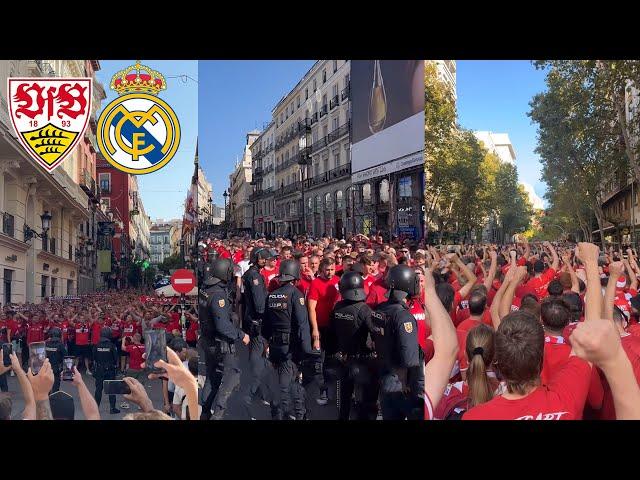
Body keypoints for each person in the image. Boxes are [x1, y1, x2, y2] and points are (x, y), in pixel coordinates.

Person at [463, 242, 599, 420]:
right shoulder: (564, 401)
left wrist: (511, 281)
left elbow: (499, 313)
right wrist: (590, 263)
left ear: (496, 362)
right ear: (541, 358)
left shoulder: (475, 416)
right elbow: (593, 330)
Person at [372, 264, 425, 420]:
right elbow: (410, 359)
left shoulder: (380, 309)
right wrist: (413, 385)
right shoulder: (403, 317)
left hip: (385, 376)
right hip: (402, 384)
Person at [262, 259, 313, 420]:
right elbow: (302, 324)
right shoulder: (296, 295)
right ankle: (297, 415)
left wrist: (268, 343)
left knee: (277, 385)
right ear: (296, 275)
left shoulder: (271, 296)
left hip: (275, 346)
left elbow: (265, 326)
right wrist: (307, 351)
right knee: (291, 385)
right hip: (290, 348)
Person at [201, 258, 250, 420]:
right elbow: (222, 325)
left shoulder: (205, 289)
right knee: (232, 377)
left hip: (208, 342)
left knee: (212, 377)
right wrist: (241, 335)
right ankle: (219, 414)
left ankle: (205, 412)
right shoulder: (218, 295)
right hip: (220, 343)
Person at [330, 271, 378, 420]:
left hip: (343, 358)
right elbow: (374, 331)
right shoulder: (363, 308)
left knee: (344, 398)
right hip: (362, 359)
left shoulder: (337, 307)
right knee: (366, 399)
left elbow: (331, 333)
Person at [240, 247, 271, 412]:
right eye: (265, 258)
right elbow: (260, 305)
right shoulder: (254, 276)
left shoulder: (252, 274)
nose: (267, 261)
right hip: (257, 322)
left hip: (251, 321)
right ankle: (250, 391)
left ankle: (258, 389)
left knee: (257, 356)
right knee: (257, 356)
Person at [92, 326, 120, 414]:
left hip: (99, 369)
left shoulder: (96, 345)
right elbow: (115, 358)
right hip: (110, 369)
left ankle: (96, 408)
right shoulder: (112, 346)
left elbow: (94, 357)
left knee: (98, 389)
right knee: (111, 389)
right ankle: (112, 408)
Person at [44, 327, 67, 394]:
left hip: (47, 367)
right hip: (56, 368)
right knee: (55, 387)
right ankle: (54, 400)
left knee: (47, 386)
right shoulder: (60, 345)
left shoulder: (46, 344)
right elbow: (66, 356)